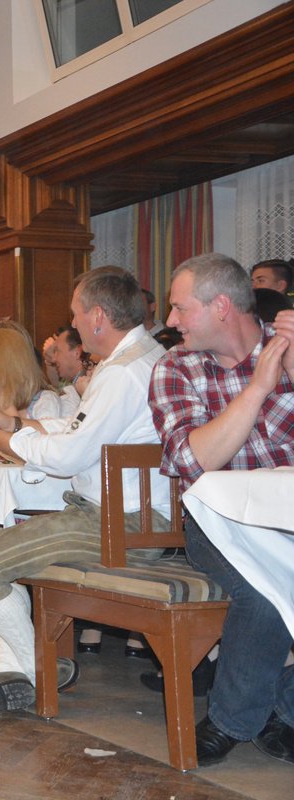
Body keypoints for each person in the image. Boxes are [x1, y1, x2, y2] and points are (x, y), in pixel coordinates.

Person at [0, 266, 169, 717]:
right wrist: (12, 424)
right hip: (122, 515)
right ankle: (11, 669)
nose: (72, 323)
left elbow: (68, 456)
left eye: (76, 313)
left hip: (122, 523)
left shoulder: (122, 373)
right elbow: (78, 430)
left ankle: (38, 670)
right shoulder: (142, 359)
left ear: (97, 316)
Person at [150, 253, 294, 767]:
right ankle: (234, 720)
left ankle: (280, 706)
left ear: (222, 306)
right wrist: (258, 387)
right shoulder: (175, 367)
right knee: (263, 591)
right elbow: (195, 461)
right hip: (218, 523)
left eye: (180, 308)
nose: (171, 321)